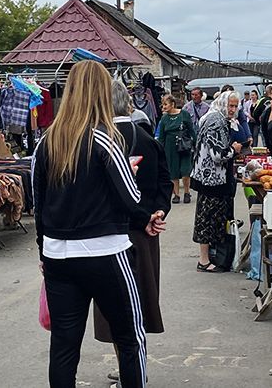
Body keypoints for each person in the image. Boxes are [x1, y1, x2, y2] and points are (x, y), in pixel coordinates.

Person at [32, 60, 153, 388]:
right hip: (107, 253)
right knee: (130, 339)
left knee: (64, 346)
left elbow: (37, 203)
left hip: (58, 257)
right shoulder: (105, 140)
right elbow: (131, 198)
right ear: (101, 92)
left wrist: (44, 252)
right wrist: (135, 185)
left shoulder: (47, 142)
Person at [97, 82, 169, 386]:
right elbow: (166, 182)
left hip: (113, 234)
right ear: (128, 103)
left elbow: (104, 194)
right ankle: (136, 362)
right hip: (147, 233)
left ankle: (128, 366)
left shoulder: (101, 144)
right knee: (141, 299)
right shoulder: (149, 140)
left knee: (114, 304)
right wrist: (158, 213)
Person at [191, 92, 247, 273]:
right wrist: (234, 148)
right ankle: (204, 261)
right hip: (212, 179)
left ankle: (209, 258)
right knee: (207, 220)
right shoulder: (218, 122)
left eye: (235, 106)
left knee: (207, 218)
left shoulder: (211, 116)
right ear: (223, 104)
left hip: (206, 177)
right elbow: (219, 155)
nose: (233, 110)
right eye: (230, 106)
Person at [156, 94, 195, 204]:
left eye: (165, 104)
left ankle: (187, 192)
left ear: (172, 104)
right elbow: (162, 136)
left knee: (185, 170)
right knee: (172, 171)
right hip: (170, 147)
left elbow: (191, 130)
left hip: (184, 145)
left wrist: (196, 143)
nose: (163, 107)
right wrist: (159, 150)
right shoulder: (164, 119)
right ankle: (176, 194)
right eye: (162, 104)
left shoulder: (184, 114)